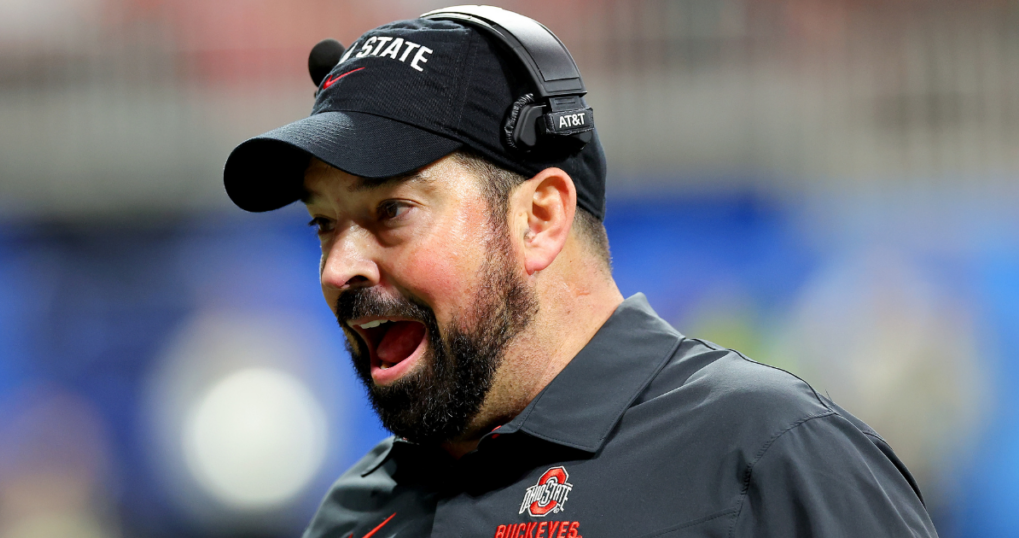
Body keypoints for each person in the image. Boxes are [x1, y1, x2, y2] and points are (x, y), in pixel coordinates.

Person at [223, 6, 939, 538]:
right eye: (324, 224)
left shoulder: (767, 455)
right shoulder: (356, 512)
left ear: (540, 218)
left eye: (392, 212)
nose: (340, 266)